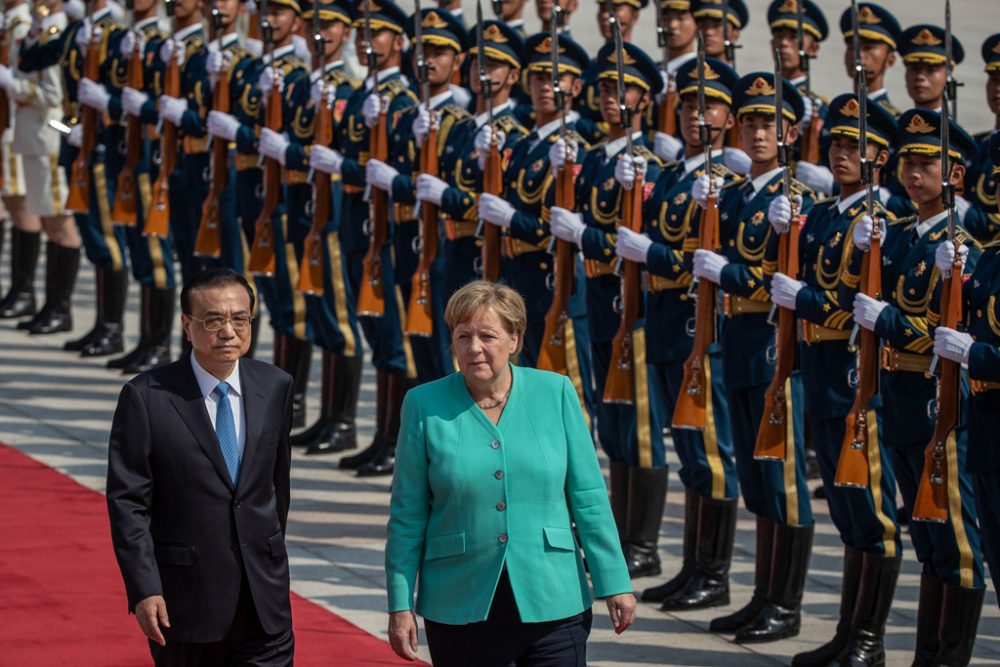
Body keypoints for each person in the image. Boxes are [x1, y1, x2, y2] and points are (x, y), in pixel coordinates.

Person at [385, 280, 635, 665]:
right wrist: (400, 605)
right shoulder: (423, 404)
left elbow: (589, 499)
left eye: (487, 335)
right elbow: (407, 515)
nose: (474, 348)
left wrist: (614, 582)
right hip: (460, 604)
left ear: (514, 340)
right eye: (463, 336)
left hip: (553, 599)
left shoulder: (557, 393)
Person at [845, 108, 985, 665]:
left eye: (928, 163)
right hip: (899, 398)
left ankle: (948, 657)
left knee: (955, 539)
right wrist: (861, 251)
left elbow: (943, 330)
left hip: (936, 400)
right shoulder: (900, 236)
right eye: (909, 162)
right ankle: (926, 653)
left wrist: (889, 323)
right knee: (926, 535)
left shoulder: (960, 247)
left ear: (953, 174)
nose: (914, 173)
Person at [107, 267, 295, 665]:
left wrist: (268, 548)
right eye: (213, 320)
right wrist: (144, 587)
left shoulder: (275, 385)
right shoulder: (147, 397)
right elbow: (128, 503)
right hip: (186, 602)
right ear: (187, 325)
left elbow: (276, 485)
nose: (228, 331)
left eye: (239, 318)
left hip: (265, 599)